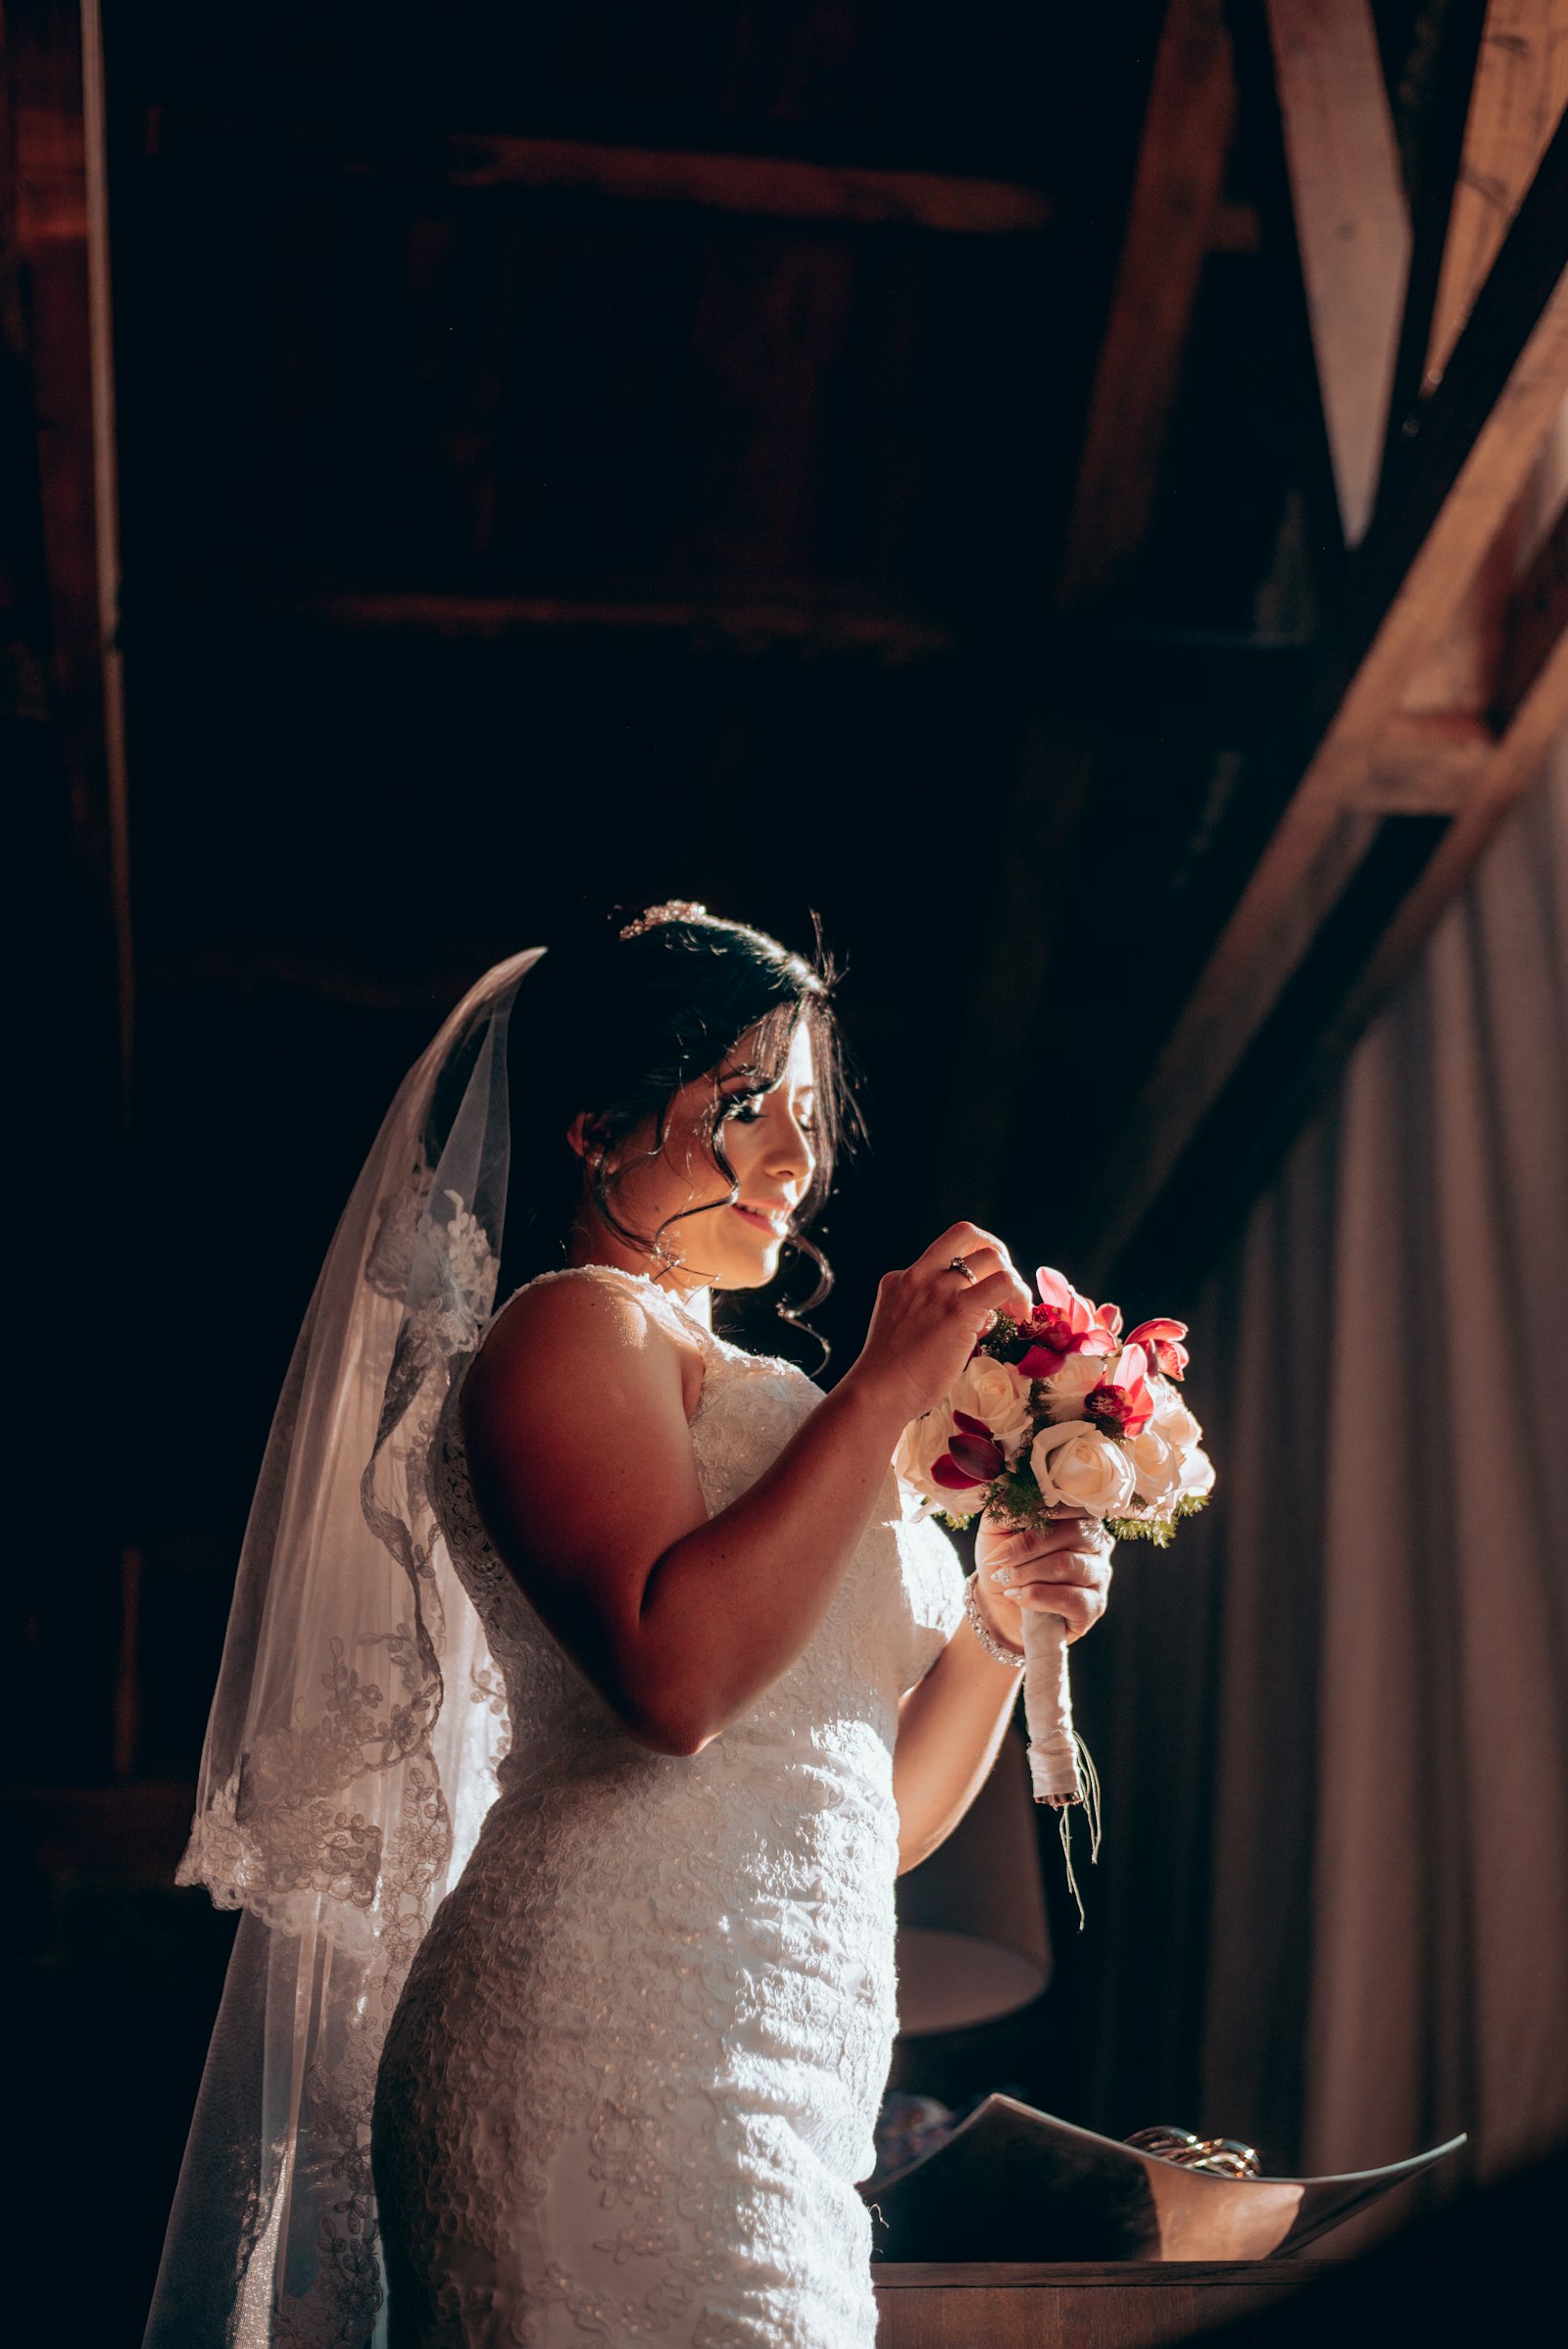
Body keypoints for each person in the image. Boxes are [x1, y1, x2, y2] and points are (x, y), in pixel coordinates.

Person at [146, 905, 1111, 2349]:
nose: (798, 1159)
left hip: (786, 2065)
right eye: (748, 1109)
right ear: (597, 1126)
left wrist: (993, 1617)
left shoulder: (759, 1387)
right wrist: (876, 1389)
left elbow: (878, 1809)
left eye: (805, 1117)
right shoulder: (568, 1331)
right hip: (597, 2039)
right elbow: (677, 1678)